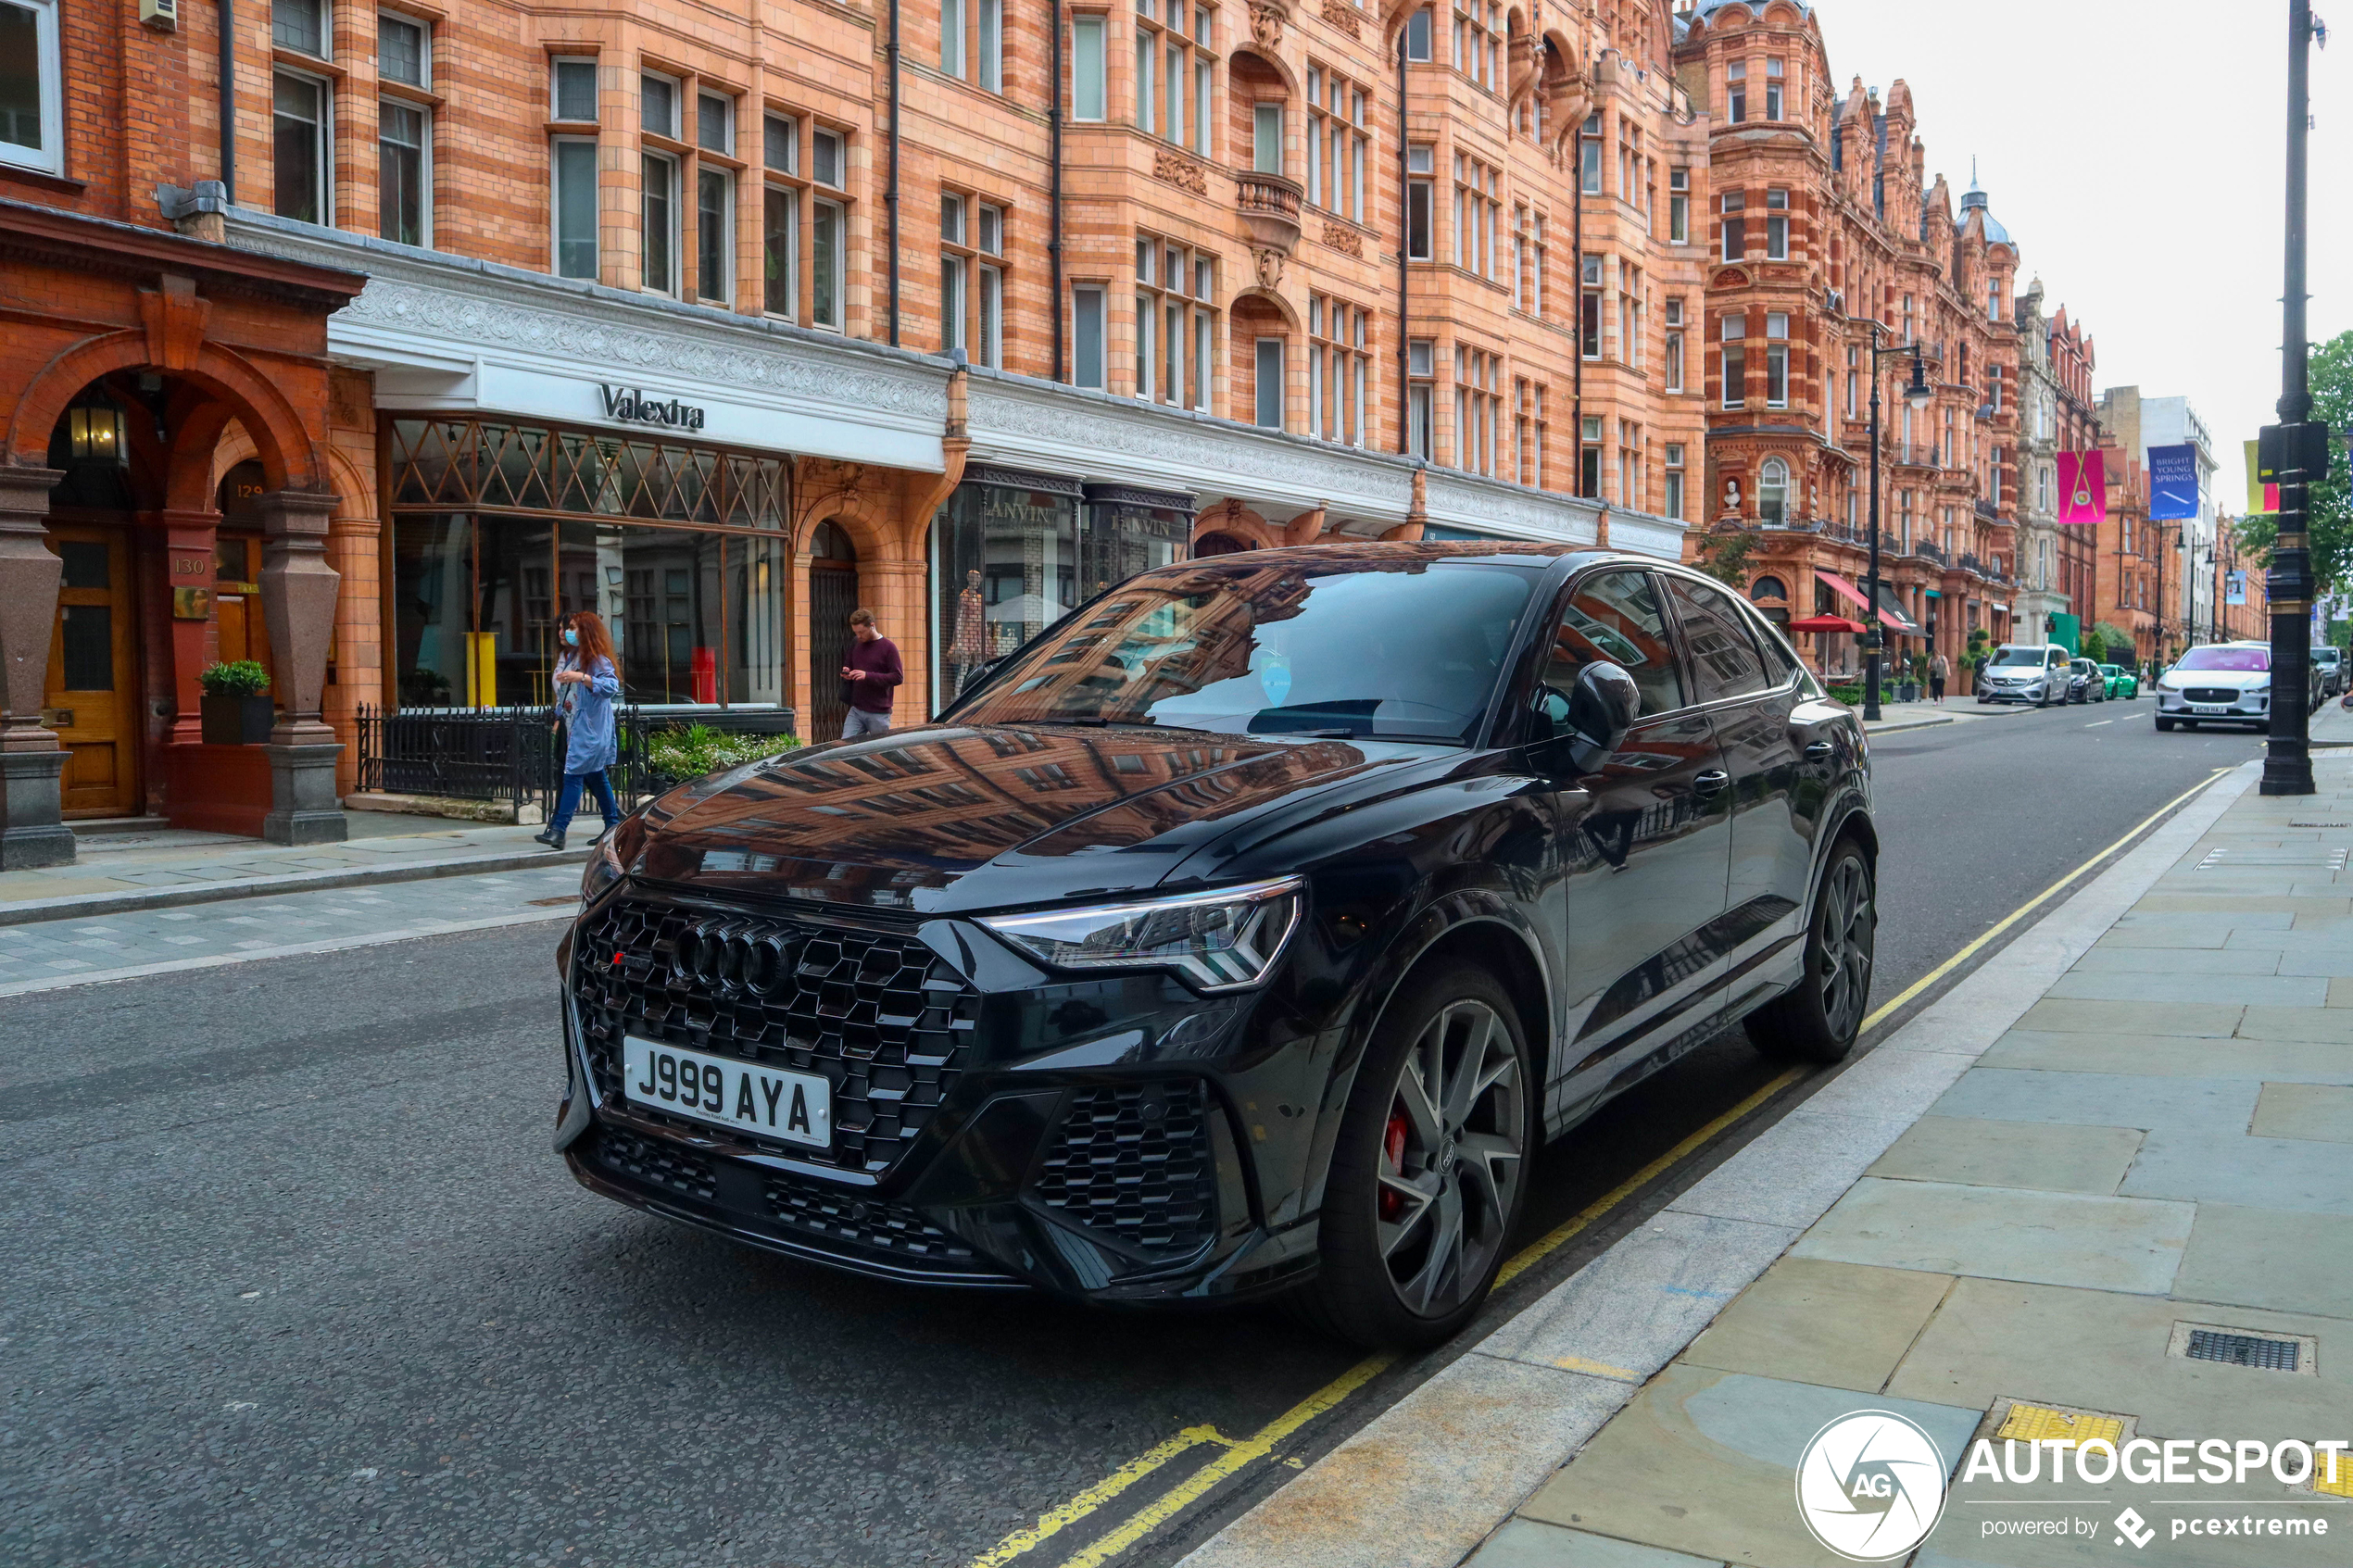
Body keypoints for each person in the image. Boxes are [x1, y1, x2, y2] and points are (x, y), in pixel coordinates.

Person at [535, 610, 622, 851]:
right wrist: (558, 717)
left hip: (590, 730)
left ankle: (558, 830)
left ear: (585, 632)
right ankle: (613, 824)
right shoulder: (574, 657)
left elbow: (611, 686)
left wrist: (582, 677)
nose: (568, 632)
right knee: (596, 776)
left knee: (572, 775)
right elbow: (566, 695)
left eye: (573, 627)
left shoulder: (596, 660)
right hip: (577, 729)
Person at [839, 607, 903, 738]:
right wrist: (847, 671)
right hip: (857, 708)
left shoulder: (888, 648)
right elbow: (849, 663)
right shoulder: (855, 643)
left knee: (879, 750)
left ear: (872, 626)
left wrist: (867, 676)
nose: (859, 636)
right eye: (856, 632)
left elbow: (897, 677)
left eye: (862, 632)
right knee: (846, 745)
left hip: (878, 712)